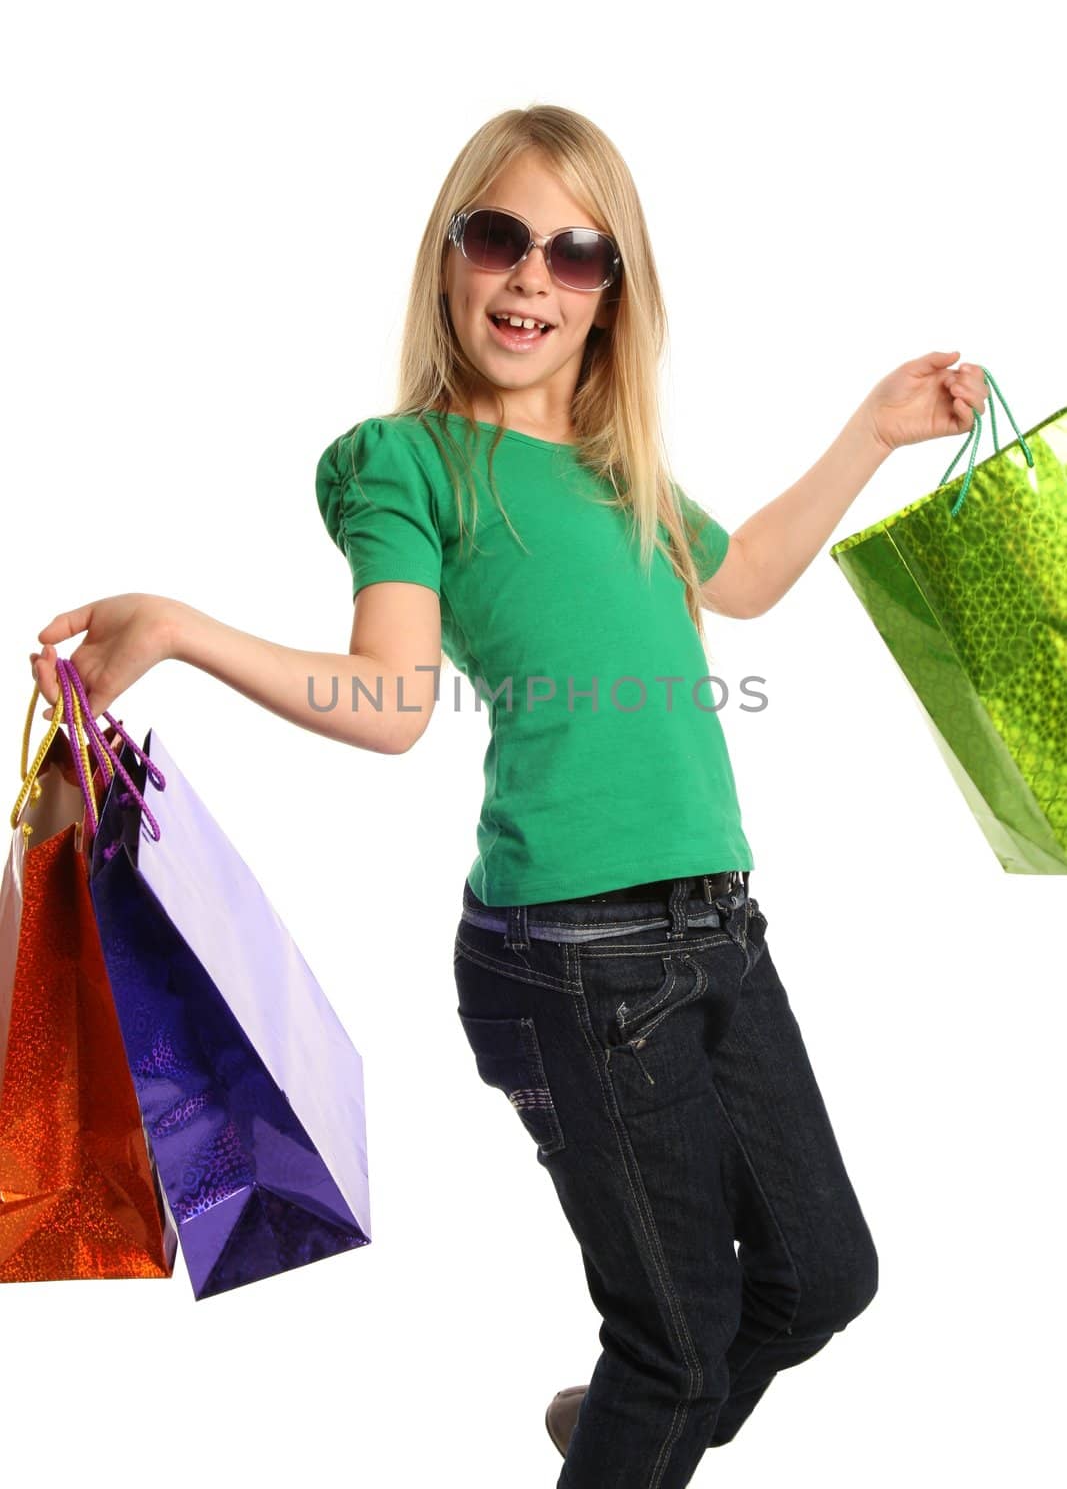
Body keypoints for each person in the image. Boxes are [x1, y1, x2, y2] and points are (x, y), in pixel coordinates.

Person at [30, 104, 989, 1489]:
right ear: (448, 261)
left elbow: (750, 576)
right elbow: (393, 702)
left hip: (721, 929)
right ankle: (636, 1428)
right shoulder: (405, 462)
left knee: (823, 1277)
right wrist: (184, 629)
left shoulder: (625, 471)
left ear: (613, 294)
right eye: (501, 238)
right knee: (676, 1337)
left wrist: (876, 430)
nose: (533, 276)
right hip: (575, 965)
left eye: (576, 251)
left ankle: (616, 1438)